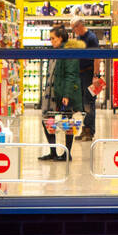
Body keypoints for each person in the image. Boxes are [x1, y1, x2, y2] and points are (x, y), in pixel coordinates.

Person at [39, 26, 86, 163]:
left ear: (60, 38)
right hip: (52, 93)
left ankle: (67, 153)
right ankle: (53, 152)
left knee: (68, 123)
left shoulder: (68, 52)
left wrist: (66, 94)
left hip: (63, 92)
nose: (51, 41)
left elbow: (70, 75)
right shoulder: (56, 51)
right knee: (49, 121)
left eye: (53, 38)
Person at [71, 19, 100, 141]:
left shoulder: (91, 38)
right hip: (80, 74)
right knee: (84, 102)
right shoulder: (78, 38)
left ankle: (89, 131)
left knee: (89, 102)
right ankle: (85, 128)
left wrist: (96, 76)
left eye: (74, 28)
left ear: (80, 25)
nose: (73, 31)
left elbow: (97, 57)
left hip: (89, 73)